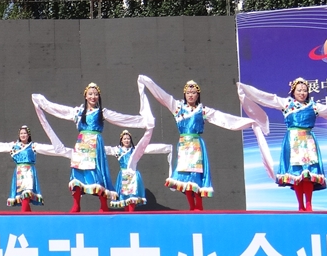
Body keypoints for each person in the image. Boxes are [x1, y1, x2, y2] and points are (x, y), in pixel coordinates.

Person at [237, 78, 327, 211]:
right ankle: (300, 205)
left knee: (307, 174)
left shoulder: (314, 106)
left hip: (308, 141)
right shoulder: (286, 103)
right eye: (299, 90)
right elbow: (266, 98)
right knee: (297, 174)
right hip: (293, 141)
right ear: (293, 91)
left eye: (304, 90)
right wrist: (245, 89)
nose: (302, 93)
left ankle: (309, 204)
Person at [140, 76, 259, 211]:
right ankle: (192, 206)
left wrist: (247, 123)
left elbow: (223, 118)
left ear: (198, 95)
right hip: (184, 146)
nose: (191, 95)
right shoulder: (177, 107)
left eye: (193, 93)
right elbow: (162, 95)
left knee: (196, 175)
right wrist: (147, 82)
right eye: (188, 93)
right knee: (185, 176)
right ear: (185, 94)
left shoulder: (202, 110)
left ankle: (199, 205)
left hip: (196, 145)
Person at [32, 82, 155, 212]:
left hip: (95, 143)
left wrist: (143, 122)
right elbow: (59, 110)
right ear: (85, 96)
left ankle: (103, 205)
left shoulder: (102, 112)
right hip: (82, 143)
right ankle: (76, 204)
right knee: (77, 172)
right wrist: (43, 104)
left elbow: (122, 118)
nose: (93, 97)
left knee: (98, 172)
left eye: (96, 94)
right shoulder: (78, 112)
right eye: (90, 94)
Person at [110, 130, 144, 212]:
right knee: (124, 195)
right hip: (123, 175)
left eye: (128, 139)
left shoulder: (135, 150)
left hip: (133, 175)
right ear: (121, 140)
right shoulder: (117, 150)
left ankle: (131, 212)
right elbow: (106, 149)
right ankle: (127, 213)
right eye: (124, 139)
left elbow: (147, 147)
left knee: (132, 194)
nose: (126, 140)